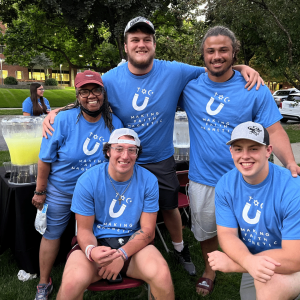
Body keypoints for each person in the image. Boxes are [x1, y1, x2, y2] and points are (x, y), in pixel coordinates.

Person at [42, 17, 263, 276]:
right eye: (135, 39)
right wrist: (58, 110)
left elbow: (214, 66)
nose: (141, 44)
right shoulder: (111, 78)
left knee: (169, 206)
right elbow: (91, 98)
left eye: (147, 39)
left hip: (159, 158)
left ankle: (180, 248)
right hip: (122, 157)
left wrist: (241, 66)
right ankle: (111, 247)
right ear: (125, 47)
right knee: (119, 204)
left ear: (154, 44)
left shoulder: (174, 71)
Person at [179, 26, 300, 296]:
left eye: (224, 50)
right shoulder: (189, 87)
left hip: (248, 181)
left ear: (234, 53)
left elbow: (276, 129)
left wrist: (290, 162)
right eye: (211, 51)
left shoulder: (253, 87)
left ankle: (255, 265)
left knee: (256, 229)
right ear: (203, 55)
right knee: (208, 231)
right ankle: (211, 269)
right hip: (205, 179)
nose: (217, 56)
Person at [31, 70, 123, 300]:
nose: (91, 96)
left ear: (104, 93)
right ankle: (44, 282)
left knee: (98, 234)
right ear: (77, 95)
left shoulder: (114, 123)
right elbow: (45, 159)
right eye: (85, 91)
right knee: (52, 234)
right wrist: (40, 191)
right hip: (62, 191)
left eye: (96, 90)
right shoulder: (62, 120)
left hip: (96, 194)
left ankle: (95, 272)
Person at [56, 128, 174, 300]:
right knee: (71, 284)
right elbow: (84, 230)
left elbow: (148, 231)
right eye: (119, 149)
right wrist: (91, 251)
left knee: (162, 275)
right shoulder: (88, 180)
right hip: (97, 245)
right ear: (108, 151)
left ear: (137, 154)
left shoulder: (148, 180)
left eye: (131, 150)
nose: (125, 156)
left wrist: (121, 255)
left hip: (133, 247)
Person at [208, 121, 300, 300]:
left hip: (294, 262)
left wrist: (238, 265)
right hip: (257, 260)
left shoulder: (292, 188)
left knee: (269, 291)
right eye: (238, 149)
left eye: (253, 148)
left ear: (268, 150)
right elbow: (227, 234)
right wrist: (249, 262)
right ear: (231, 152)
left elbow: (294, 258)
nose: (245, 156)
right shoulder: (226, 185)